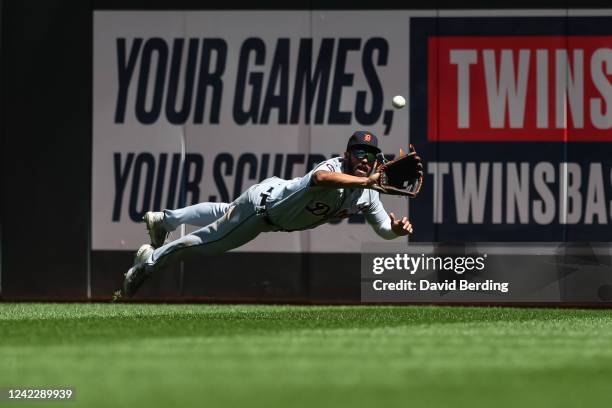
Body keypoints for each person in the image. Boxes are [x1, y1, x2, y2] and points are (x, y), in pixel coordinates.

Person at [119, 131, 416, 298]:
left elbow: (382, 229)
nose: (364, 160)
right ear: (347, 154)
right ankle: (145, 266)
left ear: (378, 160)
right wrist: (365, 180)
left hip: (269, 194)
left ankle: (165, 220)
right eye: (358, 153)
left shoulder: (369, 192)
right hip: (261, 212)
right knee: (206, 243)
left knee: (224, 211)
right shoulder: (335, 168)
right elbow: (321, 181)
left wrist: (395, 230)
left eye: (370, 155)